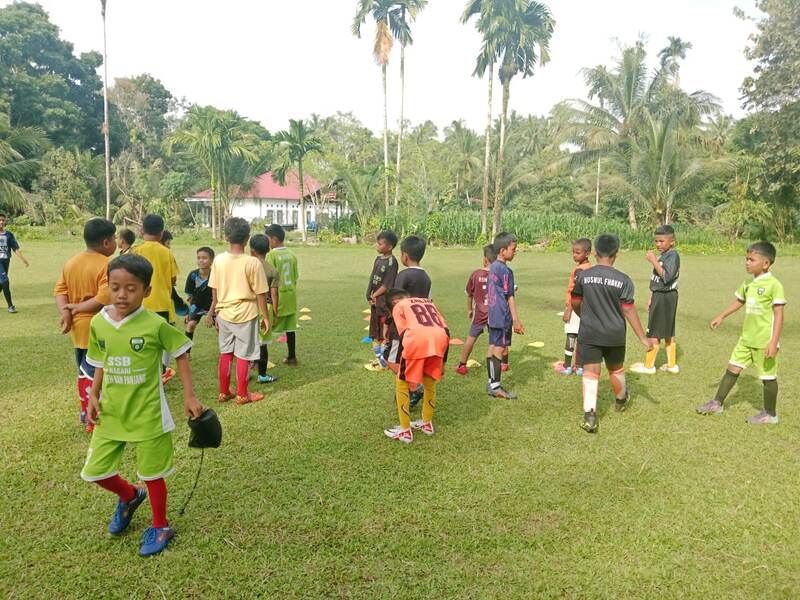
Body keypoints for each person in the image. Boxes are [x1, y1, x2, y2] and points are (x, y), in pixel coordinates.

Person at [81, 254, 203, 557]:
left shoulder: (153, 324)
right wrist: (93, 395)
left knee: (153, 474)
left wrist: (189, 396)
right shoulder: (99, 322)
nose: (122, 295)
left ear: (147, 291)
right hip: (111, 411)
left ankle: (160, 525)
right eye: (115, 287)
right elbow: (99, 361)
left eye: (131, 288)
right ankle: (129, 495)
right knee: (94, 472)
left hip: (148, 413)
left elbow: (182, 352)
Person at [696, 242, 786, 424]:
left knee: (768, 377)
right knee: (732, 368)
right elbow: (739, 301)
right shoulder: (748, 282)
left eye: (751, 260)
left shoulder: (774, 285)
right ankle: (717, 403)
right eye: (746, 259)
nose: (747, 262)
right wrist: (721, 316)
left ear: (766, 263)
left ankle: (770, 414)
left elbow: (779, 314)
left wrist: (773, 342)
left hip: (764, 341)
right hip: (746, 339)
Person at [570, 234, 651, 434]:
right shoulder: (624, 280)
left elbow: (575, 302)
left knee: (591, 372)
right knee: (616, 369)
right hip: (614, 333)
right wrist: (642, 336)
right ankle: (621, 400)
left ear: (595, 253)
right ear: (616, 254)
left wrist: (584, 316)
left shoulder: (583, 276)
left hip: (590, 331)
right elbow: (629, 309)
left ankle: (590, 416)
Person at [54, 218, 117, 431]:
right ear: (107, 242)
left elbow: (60, 291)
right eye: (115, 238)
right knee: (95, 373)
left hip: (77, 330)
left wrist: (67, 312)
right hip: (98, 327)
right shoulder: (108, 265)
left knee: (83, 372)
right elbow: (104, 298)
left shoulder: (71, 262)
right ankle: (93, 416)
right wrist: (77, 309)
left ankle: (85, 409)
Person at [207, 218, 270, 405]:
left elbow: (215, 289)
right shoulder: (253, 263)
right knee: (243, 354)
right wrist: (265, 317)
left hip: (224, 313)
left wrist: (216, 311)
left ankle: (224, 392)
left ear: (226, 236)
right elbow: (260, 293)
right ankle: (243, 394)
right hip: (246, 314)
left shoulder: (218, 260)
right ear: (247, 239)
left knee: (225, 352)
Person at [383, 289, 450, 444]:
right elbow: (445, 329)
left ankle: (405, 431)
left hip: (417, 339)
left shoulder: (399, 306)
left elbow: (403, 334)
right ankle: (427, 424)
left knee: (402, 381)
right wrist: (444, 363)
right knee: (429, 380)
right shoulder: (427, 301)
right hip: (440, 338)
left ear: (394, 303)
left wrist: (402, 363)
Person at [132, 215, 179, 382]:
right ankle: (163, 370)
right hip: (162, 303)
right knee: (163, 339)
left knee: (141, 338)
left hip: (139, 304)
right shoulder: (166, 253)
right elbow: (173, 279)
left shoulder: (136, 251)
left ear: (142, 230)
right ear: (161, 233)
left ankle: (143, 369)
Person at [631, 225, 681, 375]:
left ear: (672, 242)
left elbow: (666, 277)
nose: (658, 244)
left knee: (654, 331)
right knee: (667, 331)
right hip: (661, 296)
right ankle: (671, 365)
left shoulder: (672, 256)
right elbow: (657, 280)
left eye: (661, 241)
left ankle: (649, 366)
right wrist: (651, 297)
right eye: (656, 241)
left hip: (665, 297)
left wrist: (653, 260)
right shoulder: (665, 255)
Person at [486, 232, 524, 399]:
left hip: (493, 314)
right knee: (499, 348)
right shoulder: (506, 271)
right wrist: (515, 320)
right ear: (502, 250)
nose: (515, 252)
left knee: (492, 347)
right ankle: (496, 387)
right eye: (513, 249)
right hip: (503, 315)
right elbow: (510, 296)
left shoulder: (493, 266)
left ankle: (491, 382)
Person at [455, 244, 496, 375]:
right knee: (496, 340)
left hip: (479, 312)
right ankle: (501, 364)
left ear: (485, 259)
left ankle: (462, 365)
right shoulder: (499, 274)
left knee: (471, 338)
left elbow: (469, 295)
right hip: (495, 313)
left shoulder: (476, 274)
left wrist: (469, 309)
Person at [555, 238, 593, 376]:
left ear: (587, 253)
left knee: (571, 334)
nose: (574, 255)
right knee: (582, 336)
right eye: (573, 252)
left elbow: (575, 292)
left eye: (577, 253)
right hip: (587, 308)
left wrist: (568, 310)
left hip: (576, 307)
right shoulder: (591, 268)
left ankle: (567, 366)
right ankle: (580, 367)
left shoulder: (579, 271)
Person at [265, 224, 299, 366]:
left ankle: (259, 361)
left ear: (274, 239)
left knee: (265, 328)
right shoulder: (292, 254)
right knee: (290, 327)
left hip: (276, 297)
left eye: (267, 239)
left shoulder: (271, 255)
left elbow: (268, 278)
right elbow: (296, 276)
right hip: (290, 296)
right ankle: (292, 356)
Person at [249, 233, 281, 383]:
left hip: (248, 306)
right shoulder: (272, 270)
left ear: (252, 250)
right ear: (268, 249)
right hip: (265, 308)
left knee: (246, 341)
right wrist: (275, 313)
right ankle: (262, 375)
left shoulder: (247, 266)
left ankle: (245, 372)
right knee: (263, 345)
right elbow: (274, 294)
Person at [366, 230, 399, 368]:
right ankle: (379, 358)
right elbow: (372, 277)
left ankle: (384, 360)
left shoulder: (392, 262)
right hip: (374, 301)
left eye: (380, 244)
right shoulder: (378, 260)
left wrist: (375, 295)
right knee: (375, 331)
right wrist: (368, 294)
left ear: (389, 247)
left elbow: (387, 285)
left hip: (383, 302)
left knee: (384, 330)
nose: (377, 246)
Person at [183, 246, 215, 351]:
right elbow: (190, 296)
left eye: (204, 258)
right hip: (197, 305)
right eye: (198, 258)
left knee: (221, 327)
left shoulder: (215, 275)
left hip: (213, 306)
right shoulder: (192, 275)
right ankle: (187, 353)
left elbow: (217, 297)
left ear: (212, 260)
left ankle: (227, 353)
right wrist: (189, 312)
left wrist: (210, 314)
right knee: (190, 325)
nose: (201, 260)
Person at [0, 212, 30, 313]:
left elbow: (15, 248)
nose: (1, 222)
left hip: (6, 261)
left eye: (3, 220)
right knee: (5, 281)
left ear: (5, 222)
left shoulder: (9, 235)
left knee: (2, 283)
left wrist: (23, 259)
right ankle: (10, 306)